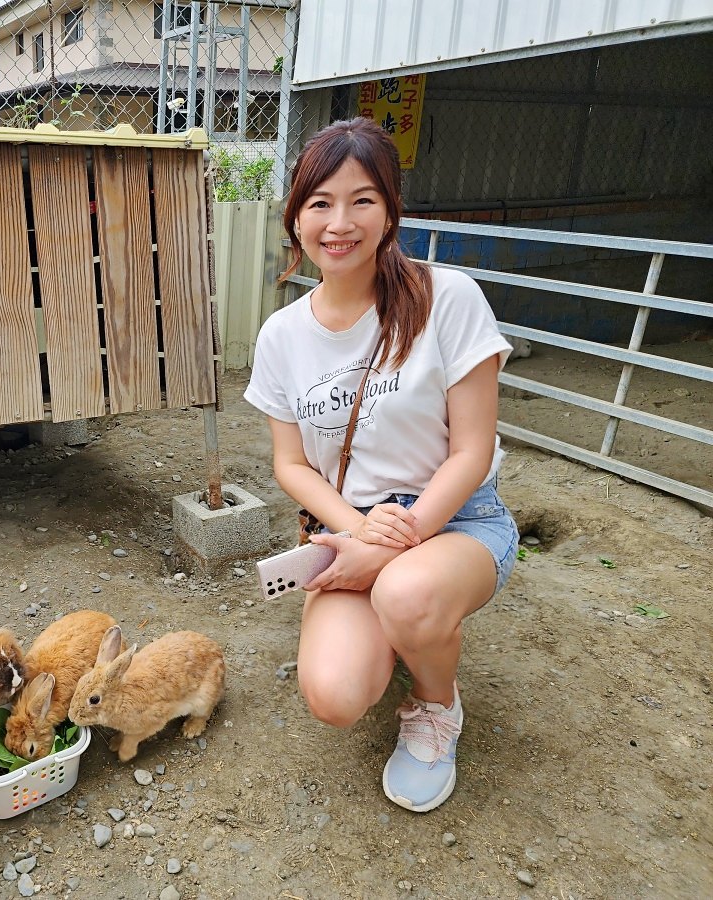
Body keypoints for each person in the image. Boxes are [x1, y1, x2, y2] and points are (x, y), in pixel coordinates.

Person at [244, 117, 518, 813]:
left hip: (456, 518)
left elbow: (472, 449)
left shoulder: (446, 298)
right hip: (350, 522)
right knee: (334, 697)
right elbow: (292, 465)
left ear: (391, 210)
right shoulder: (281, 335)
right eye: (320, 203)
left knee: (407, 595)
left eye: (362, 200)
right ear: (297, 217)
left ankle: (435, 704)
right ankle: (405, 633)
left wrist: (400, 540)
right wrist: (361, 536)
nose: (340, 222)